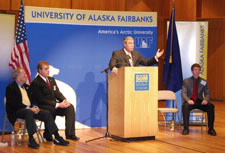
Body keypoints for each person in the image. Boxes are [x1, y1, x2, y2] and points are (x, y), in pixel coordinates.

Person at [5, 68, 69, 149]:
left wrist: (35, 106)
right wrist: (28, 108)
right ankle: (31, 139)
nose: (26, 76)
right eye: (24, 74)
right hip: (16, 111)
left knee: (47, 113)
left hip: (29, 110)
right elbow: (14, 104)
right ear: (18, 77)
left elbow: (33, 100)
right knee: (29, 112)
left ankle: (57, 136)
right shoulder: (11, 88)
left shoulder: (27, 87)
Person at [30, 61, 79, 141]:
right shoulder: (36, 83)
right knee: (51, 109)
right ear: (40, 70)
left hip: (54, 105)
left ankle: (70, 134)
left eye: (48, 69)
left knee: (70, 107)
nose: (48, 71)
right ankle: (48, 134)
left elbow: (57, 93)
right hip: (42, 106)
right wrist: (57, 105)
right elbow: (41, 100)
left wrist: (64, 100)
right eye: (46, 69)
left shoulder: (51, 79)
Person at [182, 63, 216, 136]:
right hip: (190, 100)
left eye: (198, 70)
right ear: (192, 71)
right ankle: (186, 128)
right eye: (195, 70)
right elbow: (183, 93)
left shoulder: (204, 81)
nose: (197, 71)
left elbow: (207, 93)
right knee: (185, 106)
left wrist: (206, 99)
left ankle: (211, 129)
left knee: (211, 106)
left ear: (200, 71)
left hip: (200, 101)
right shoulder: (186, 81)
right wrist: (188, 100)